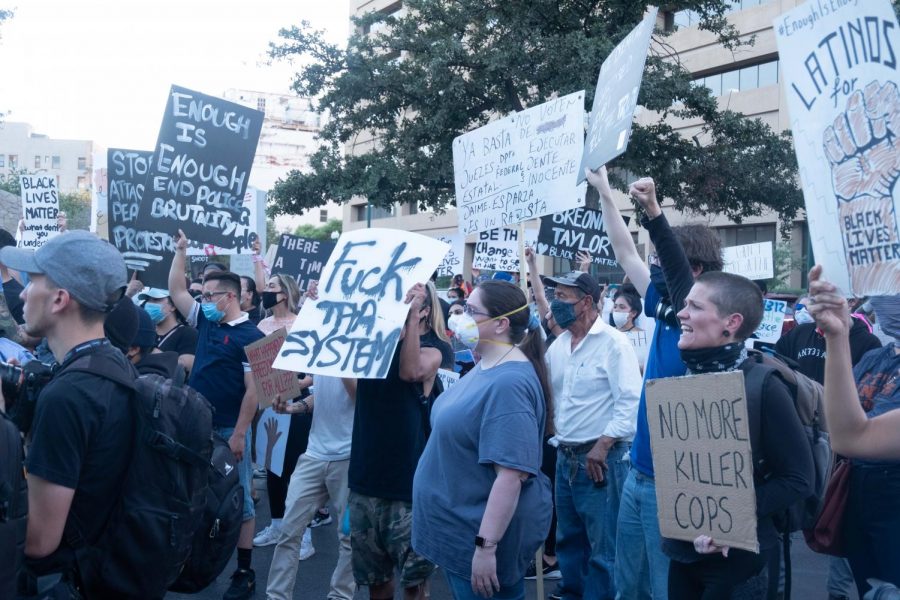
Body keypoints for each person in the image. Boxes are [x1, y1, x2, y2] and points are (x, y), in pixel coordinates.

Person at [586, 165, 725, 600]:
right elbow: (624, 251)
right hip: (638, 474)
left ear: (694, 268)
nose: (651, 268)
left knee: (668, 590)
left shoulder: (715, 331)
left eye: (661, 261)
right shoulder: (665, 309)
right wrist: (606, 192)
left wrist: (654, 212)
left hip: (678, 483)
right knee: (628, 587)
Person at [1, 231, 133, 598]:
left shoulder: (68, 395)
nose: (23, 293)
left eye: (32, 281)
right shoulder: (113, 364)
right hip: (105, 569)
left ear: (60, 299)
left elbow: (38, 540)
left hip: (66, 581)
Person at [666, 271, 813, 599]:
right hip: (685, 553)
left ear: (730, 323)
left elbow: (798, 478)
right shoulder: (688, 378)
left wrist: (726, 519)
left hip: (744, 563)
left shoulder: (764, 386)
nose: (681, 312)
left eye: (695, 306)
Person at [413, 280, 553, 600]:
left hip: (473, 542)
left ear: (501, 324)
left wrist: (485, 548)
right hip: (456, 535)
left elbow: (511, 475)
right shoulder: (489, 364)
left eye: (471, 311)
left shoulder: (510, 383)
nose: (459, 316)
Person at [167, 229, 265, 600]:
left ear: (230, 297)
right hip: (196, 427)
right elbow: (177, 290)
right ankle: (190, 560)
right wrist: (181, 251)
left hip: (228, 431)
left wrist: (240, 434)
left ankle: (244, 572)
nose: (201, 300)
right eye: (202, 295)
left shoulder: (251, 335)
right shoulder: (208, 321)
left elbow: (253, 391)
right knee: (191, 492)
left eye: (209, 295)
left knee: (239, 499)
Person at [349, 281, 453, 600]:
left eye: (408, 299)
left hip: (407, 485)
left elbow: (410, 372)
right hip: (366, 479)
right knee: (376, 581)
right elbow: (355, 390)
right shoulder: (374, 343)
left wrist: (408, 320)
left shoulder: (438, 346)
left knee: (415, 585)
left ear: (424, 310)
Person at [542, 270, 642, 600]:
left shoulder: (614, 344)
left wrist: (602, 444)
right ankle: (573, 593)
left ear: (586, 302)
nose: (556, 303)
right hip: (566, 458)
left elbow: (630, 400)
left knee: (603, 548)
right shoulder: (558, 346)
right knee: (569, 540)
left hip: (601, 460)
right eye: (554, 295)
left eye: (563, 297)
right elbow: (555, 399)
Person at [808, 267, 900, 596]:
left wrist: (839, 337)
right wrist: (838, 334)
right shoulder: (878, 356)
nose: (887, 297)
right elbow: (841, 428)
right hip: (859, 492)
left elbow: (853, 436)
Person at [266, 375, 358, 600]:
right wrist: (295, 407)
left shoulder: (360, 344)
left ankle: (340, 596)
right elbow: (324, 395)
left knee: (349, 539)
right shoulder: (324, 347)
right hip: (314, 453)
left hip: (349, 455)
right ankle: (276, 596)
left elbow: (362, 397)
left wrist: (341, 365)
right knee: (288, 529)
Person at [252, 274, 316, 561]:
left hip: (299, 401)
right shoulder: (262, 325)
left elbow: (317, 368)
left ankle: (305, 533)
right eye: (267, 286)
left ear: (286, 292)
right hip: (269, 403)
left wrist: (298, 384)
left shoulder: (305, 323)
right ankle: (277, 524)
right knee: (272, 466)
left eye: (273, 287)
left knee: (294, 468)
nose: (266, 290)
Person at [138, 287, 198, 375]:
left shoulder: (188, 333)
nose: (149, 304)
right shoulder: (145, 330)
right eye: (148, 300)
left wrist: (150, 350)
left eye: (156, 300)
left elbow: (185, 368)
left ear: (173, 306)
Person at [611, 284, 649, 371]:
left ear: (633, 313)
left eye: (622, 307)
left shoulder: (644, 336)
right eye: (615, 306)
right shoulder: (607, 334)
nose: (616, 310)